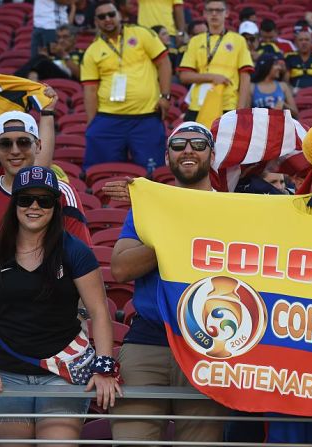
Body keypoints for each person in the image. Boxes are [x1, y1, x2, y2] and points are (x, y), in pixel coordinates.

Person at [108, 122, 230, 444]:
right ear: (167, 156)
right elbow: (120, 269)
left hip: (210, 344)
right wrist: (180, 232)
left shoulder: (235, 211)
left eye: (198, 144)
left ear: (212, 154)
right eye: (178, 145)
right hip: (148, 340)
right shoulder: (150, 207)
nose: (188, 150)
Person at [0, 166, 121, 443]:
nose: (34, 207)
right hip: (7, 373)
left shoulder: (75, 250)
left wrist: (104, 368)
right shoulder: (1, 248)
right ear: (14, 203)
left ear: (56, 206)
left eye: (44, 200)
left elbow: (99, 312)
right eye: (25, 199)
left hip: (62, 372)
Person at [81, 0, 171, 171]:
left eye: (111, 14)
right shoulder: (92, 50)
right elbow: (90, 90)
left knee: (154, 173)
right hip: (109, 118)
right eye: (102, 16)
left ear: (119, 15)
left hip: (146, 116)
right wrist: (92, 123)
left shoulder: (142, 33)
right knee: (102, 171)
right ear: (96, 21)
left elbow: (164, 63)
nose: (108, 19)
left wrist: (165, 96)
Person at [0, 111, 92, 246]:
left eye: (23, 142)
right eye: (5, 144)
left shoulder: (61, 191)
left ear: (38, 146)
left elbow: (81, 256)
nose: (15, 151)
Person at [178, 0, 253, 123]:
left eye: (218, 10)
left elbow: (245, 76)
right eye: (210, 10)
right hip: (199, 104)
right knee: (196, 140)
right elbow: (184, 76)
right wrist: (213, 77)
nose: (214, 14)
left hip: (228, 104)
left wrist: (240, 108)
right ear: (204, 14)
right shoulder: (195, 41)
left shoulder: (238, 40)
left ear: (227, 13)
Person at [17, 25, 83, 81]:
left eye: (65, 37)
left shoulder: (81, 54)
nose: (61, 40)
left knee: (43, 62)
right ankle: (14, 80)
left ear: (74, 38)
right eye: (59, 37)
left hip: (68, 80)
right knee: (39, 58)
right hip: (48, 80)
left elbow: (80, 75)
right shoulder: (53, 54)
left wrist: (64, 55)